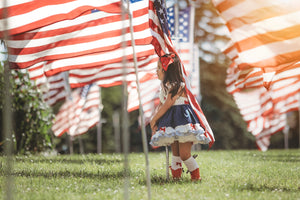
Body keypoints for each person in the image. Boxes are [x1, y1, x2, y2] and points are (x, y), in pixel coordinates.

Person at [150, 53, 211, 181]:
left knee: (184, 154)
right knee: (176, 153)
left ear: (167, 70)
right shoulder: (165, 88)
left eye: (159, 67)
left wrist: (154, 119)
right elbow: (162, 106)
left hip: (183, 120)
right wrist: (157, 119)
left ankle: (196, 177)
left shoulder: (178, 85)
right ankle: (176, 178)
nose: (156, 71)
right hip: (171, 121)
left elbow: (168, 104)